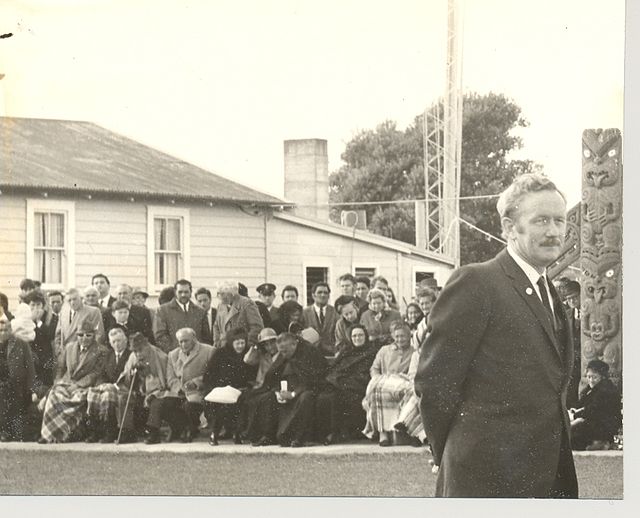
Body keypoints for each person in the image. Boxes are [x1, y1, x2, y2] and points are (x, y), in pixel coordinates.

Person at [415, 172, 578, 498]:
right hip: (484, 478)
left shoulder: (548, 289)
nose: (553, 232)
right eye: (541, 220)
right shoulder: (477, 282)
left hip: (546, 476)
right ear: (508, 228)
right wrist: (450, 451)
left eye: (559, 221)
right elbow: (435, 382)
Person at [39, 320, 110, 443]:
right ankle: (48, 435)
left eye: (88, 335)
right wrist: (58, 382)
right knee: (54, 395)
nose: (84, 338)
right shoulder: (69, 347)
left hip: (86, 386)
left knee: (76, 399)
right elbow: (61, 368)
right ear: (76, 335)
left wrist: (77, 385)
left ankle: (63, 434)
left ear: (94, 336)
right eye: (81, 335)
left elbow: (96, 373)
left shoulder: (101, 350)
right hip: (68, 383)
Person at [315, 324, 377, 445]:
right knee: (324, 397)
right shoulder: (346, 351)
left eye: (360, 335)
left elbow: (366, 374)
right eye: (354, 336)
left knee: (338, 398)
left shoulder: (371, 352)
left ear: (366, 336)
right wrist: (335, 380)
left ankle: (335, 434)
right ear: (350, 338)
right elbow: (334, 368)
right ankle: (325, 434)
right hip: (340, 384)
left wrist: (341, 381)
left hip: (358, 386)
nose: (357, 338)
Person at [362, 321, 413, 446]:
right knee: (376, 391)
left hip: (403, 384)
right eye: (397, 337)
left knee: (407, 394)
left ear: (409, 336)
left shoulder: (414, 352)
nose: (399, 339)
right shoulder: (385, 350)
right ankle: (382, 433)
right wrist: (377, 379)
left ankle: (403, 433)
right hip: (384, 382)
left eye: (402, 336)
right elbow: (374, 369)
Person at [202, 328, 257, 445]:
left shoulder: (248, 353)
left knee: (240, 402)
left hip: (240, 389)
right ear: (231, 343)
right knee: (218, 403)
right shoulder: (220, 353)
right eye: (237, 343)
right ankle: (214, 433)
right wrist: (215, 387)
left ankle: (237, 432)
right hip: (220, 388)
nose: (240, 346)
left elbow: (252, 374)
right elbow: (209, 374)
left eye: (242, 343)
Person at [118, 332, 170, 445]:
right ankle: (127, 432)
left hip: (157, 390)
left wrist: (148, 372)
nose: (138, 354)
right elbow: (125, 378)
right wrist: (132, 374)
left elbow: (165, 381)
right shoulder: (133, 357)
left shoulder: (160, 356)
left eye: (140, 350)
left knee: (156, 401)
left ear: (147, 346)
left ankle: (153, 433)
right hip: (139, 391)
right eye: (135, 351)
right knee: (124, 398)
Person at [164, 328, 214, 442]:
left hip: (199, 391)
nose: (183, 344)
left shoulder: (208, 351)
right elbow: (170, 378)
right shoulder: (173, 355)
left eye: (186, 341)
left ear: (194, 339)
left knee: (189, 405)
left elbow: (212, 375)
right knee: (165, 403)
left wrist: (196, 382)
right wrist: (179, 388)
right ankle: (177, 429)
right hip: (180, 392)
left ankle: (190, 430)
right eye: (180, 341)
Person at [84, 327, 132, 443]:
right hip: (108, 387)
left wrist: (113, 386)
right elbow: (101, 375)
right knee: (93, 393)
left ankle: (110, 432)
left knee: (107, 395)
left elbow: (128, 377)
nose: (117, 344)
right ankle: (95, 431)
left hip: (124, 388)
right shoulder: (108, 356)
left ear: (125, 340)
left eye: (119, 340)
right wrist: (102, 385)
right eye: (114, 341)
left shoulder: (131, 355)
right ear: (110, 343)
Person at [0, 312, 37, 442]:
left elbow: (30, 368)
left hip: (17, 385)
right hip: (3, 383)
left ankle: (6, 432)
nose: (3, 333)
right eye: (0, 330)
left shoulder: (21, 344)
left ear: (11, 330)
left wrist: (33, 389)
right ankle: (4, 431)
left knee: (6, 394)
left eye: (6, 330)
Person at [239, 328, 279, 444]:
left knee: (263, 400)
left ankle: (263, 434)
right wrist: (256, 347)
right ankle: (246, 432)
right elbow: (247, 360)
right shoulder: (262, 355)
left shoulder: (282, 354)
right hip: (261, 386)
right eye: (266, 344)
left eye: (272, 342)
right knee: (246, 398)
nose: (270, 346)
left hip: (273, 387)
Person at [570, 359, 621, 451]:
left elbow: (594, 409)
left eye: (594, 377)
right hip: (593, 421)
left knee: (573, 437)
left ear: (602, 377)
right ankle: (596, 443)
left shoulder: (606, 390)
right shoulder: (591, 389)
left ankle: (601, 442)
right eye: (589, 377)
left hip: (604, 426)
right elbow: (583, 404)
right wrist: (575, 410)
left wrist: (575, 416)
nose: (591, 380)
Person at [154, 279, 207, 352]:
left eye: (186, 292)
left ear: (191, 292)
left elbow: (206, 338)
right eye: (180, 292)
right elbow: (160, 336)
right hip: (174, 357)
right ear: (175, 293)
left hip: (197, 357)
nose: (183, 295)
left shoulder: (200, 312)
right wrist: (176, 352)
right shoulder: (162, 311)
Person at [53, 288, 105, 363]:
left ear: (81, 298)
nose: (72, 302)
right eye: (69, 300)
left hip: (83, 356)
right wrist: (59, 351)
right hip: (65, 356)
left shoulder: (93, 311)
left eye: (74, 299)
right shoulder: (63, 313)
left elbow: (99, 335)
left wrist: (90, 355)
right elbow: (58, 335)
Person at [213, 280, 264, 349]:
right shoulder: (221, 305)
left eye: (222, 294)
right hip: (224, 348)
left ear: (232, 294)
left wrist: (244, 345)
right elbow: (216, 326)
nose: (218, 296)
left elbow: (257, 327)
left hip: (241, 348)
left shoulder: (247, 304)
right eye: (218, 293)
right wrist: (217, 341)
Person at [23, 290, 57, 392]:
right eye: (32, 305)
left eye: (39, 304)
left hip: (46, 356)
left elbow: (51, 334)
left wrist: (38, 322)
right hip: (30, 355)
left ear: (43, 305)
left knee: (45, 385)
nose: (36, 308)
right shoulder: (24, 318)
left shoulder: (52, 317)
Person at [301, 282, 338, 356]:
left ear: (328, 296)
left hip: (331, 353)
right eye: (319, 292)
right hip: (310, 354)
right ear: (313, 295)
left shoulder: (336, 312)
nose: (323, 295)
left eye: (325, 293)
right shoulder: (304, 313)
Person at [563, 280, 582, 409]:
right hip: (572, 361)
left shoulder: (590, 311)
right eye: (569, 299)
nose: (572, 301)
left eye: (575, 297)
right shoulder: (567, 314)